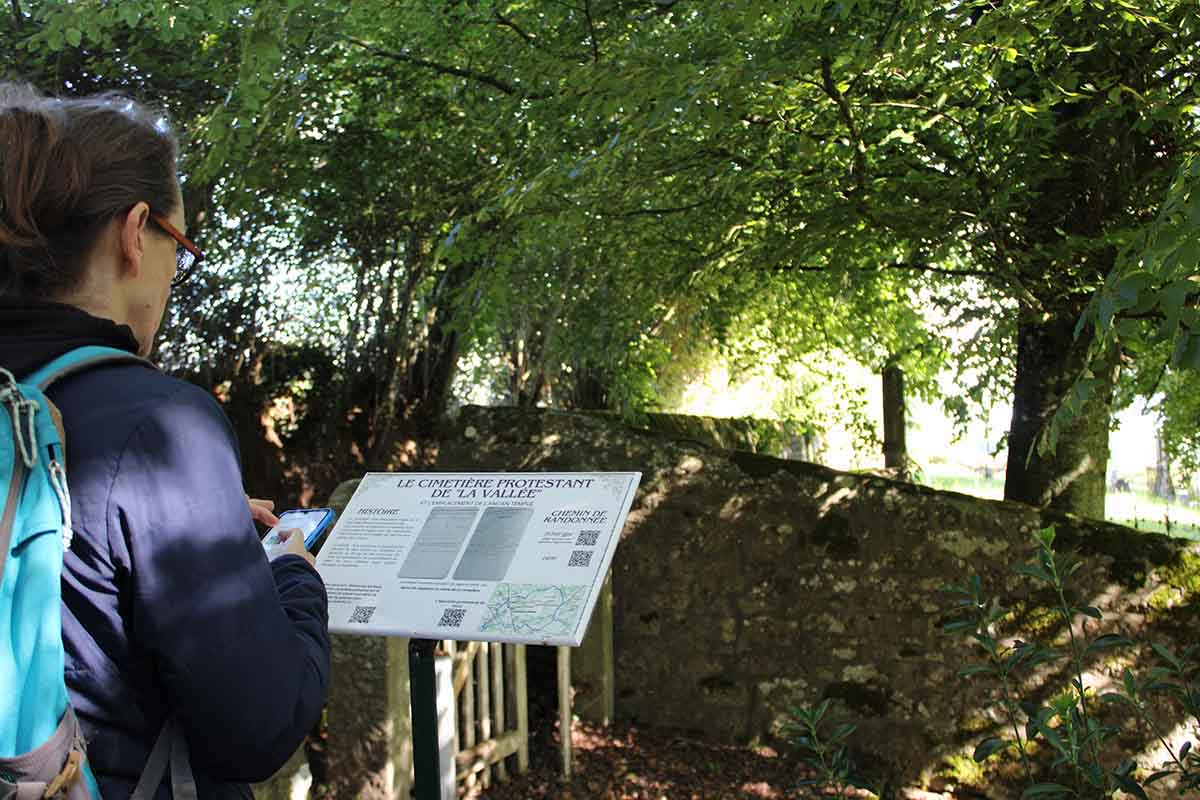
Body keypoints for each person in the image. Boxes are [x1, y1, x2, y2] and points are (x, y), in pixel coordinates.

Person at [0, 83, 330, 798]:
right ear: (134, 232)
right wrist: (293, 575)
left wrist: (200, 517)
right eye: (179, 247)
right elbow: (261, 726)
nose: (175, 276)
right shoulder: (158, 426)